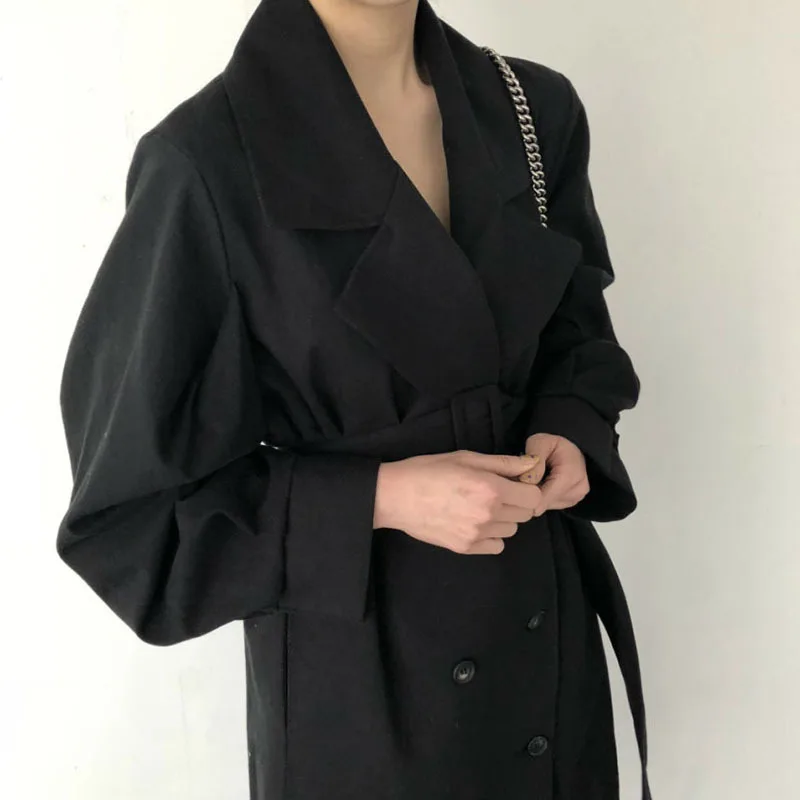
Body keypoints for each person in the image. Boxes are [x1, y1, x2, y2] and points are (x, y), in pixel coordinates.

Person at [56, 0, 652, 798]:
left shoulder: (532, 110)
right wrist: (381, 497)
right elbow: (130, 523)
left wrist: (569, 427)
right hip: (365, 693)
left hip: (547, 659)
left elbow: (576, 330)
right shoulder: (207, 160)